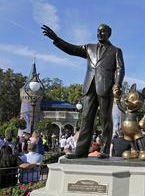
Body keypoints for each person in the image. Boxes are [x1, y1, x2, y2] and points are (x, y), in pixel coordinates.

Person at [42, 23, 125, 158]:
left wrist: (117, 85)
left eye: (103, 32)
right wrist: (56, 39)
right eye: (98, 31)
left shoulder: (115, 50)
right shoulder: (89, 48)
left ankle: (104, 151)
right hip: (89, 87)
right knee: (86, 118)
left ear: (109, 34)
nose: (99, 34)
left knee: (105, 119)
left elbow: (120, 69)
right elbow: (71, 49)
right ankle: (80, 151)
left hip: (105, 87)